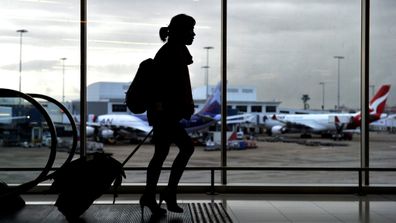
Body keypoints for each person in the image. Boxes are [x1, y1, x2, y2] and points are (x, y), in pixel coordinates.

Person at [139, 14, 196, 216]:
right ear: (181, 31)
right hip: (165, 115)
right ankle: (168, 193)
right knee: (187, 148)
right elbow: (166, 87)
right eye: (190, 30)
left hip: (163, 114)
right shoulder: (171, 52)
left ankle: (151, 195)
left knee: (160, 155)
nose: (194, 34)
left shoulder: (174, 51)